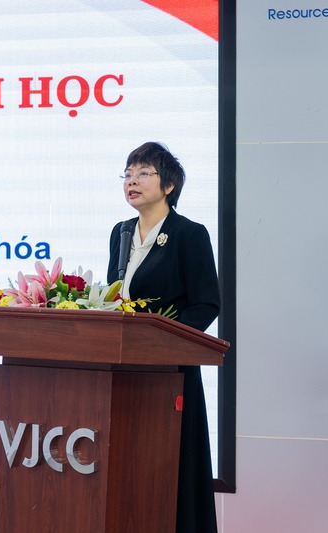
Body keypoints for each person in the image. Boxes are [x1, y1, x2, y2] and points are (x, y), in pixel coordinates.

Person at [106, 141, 220, 533]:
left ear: (169, 185)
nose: (132, 181)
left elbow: (206, 304)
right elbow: (116, 297)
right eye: (128, 174)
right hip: (125, 370)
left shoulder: (189, 234)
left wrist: (165, 341)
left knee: (171, 467)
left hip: (171, 371)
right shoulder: (121, 233)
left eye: (143, 173)